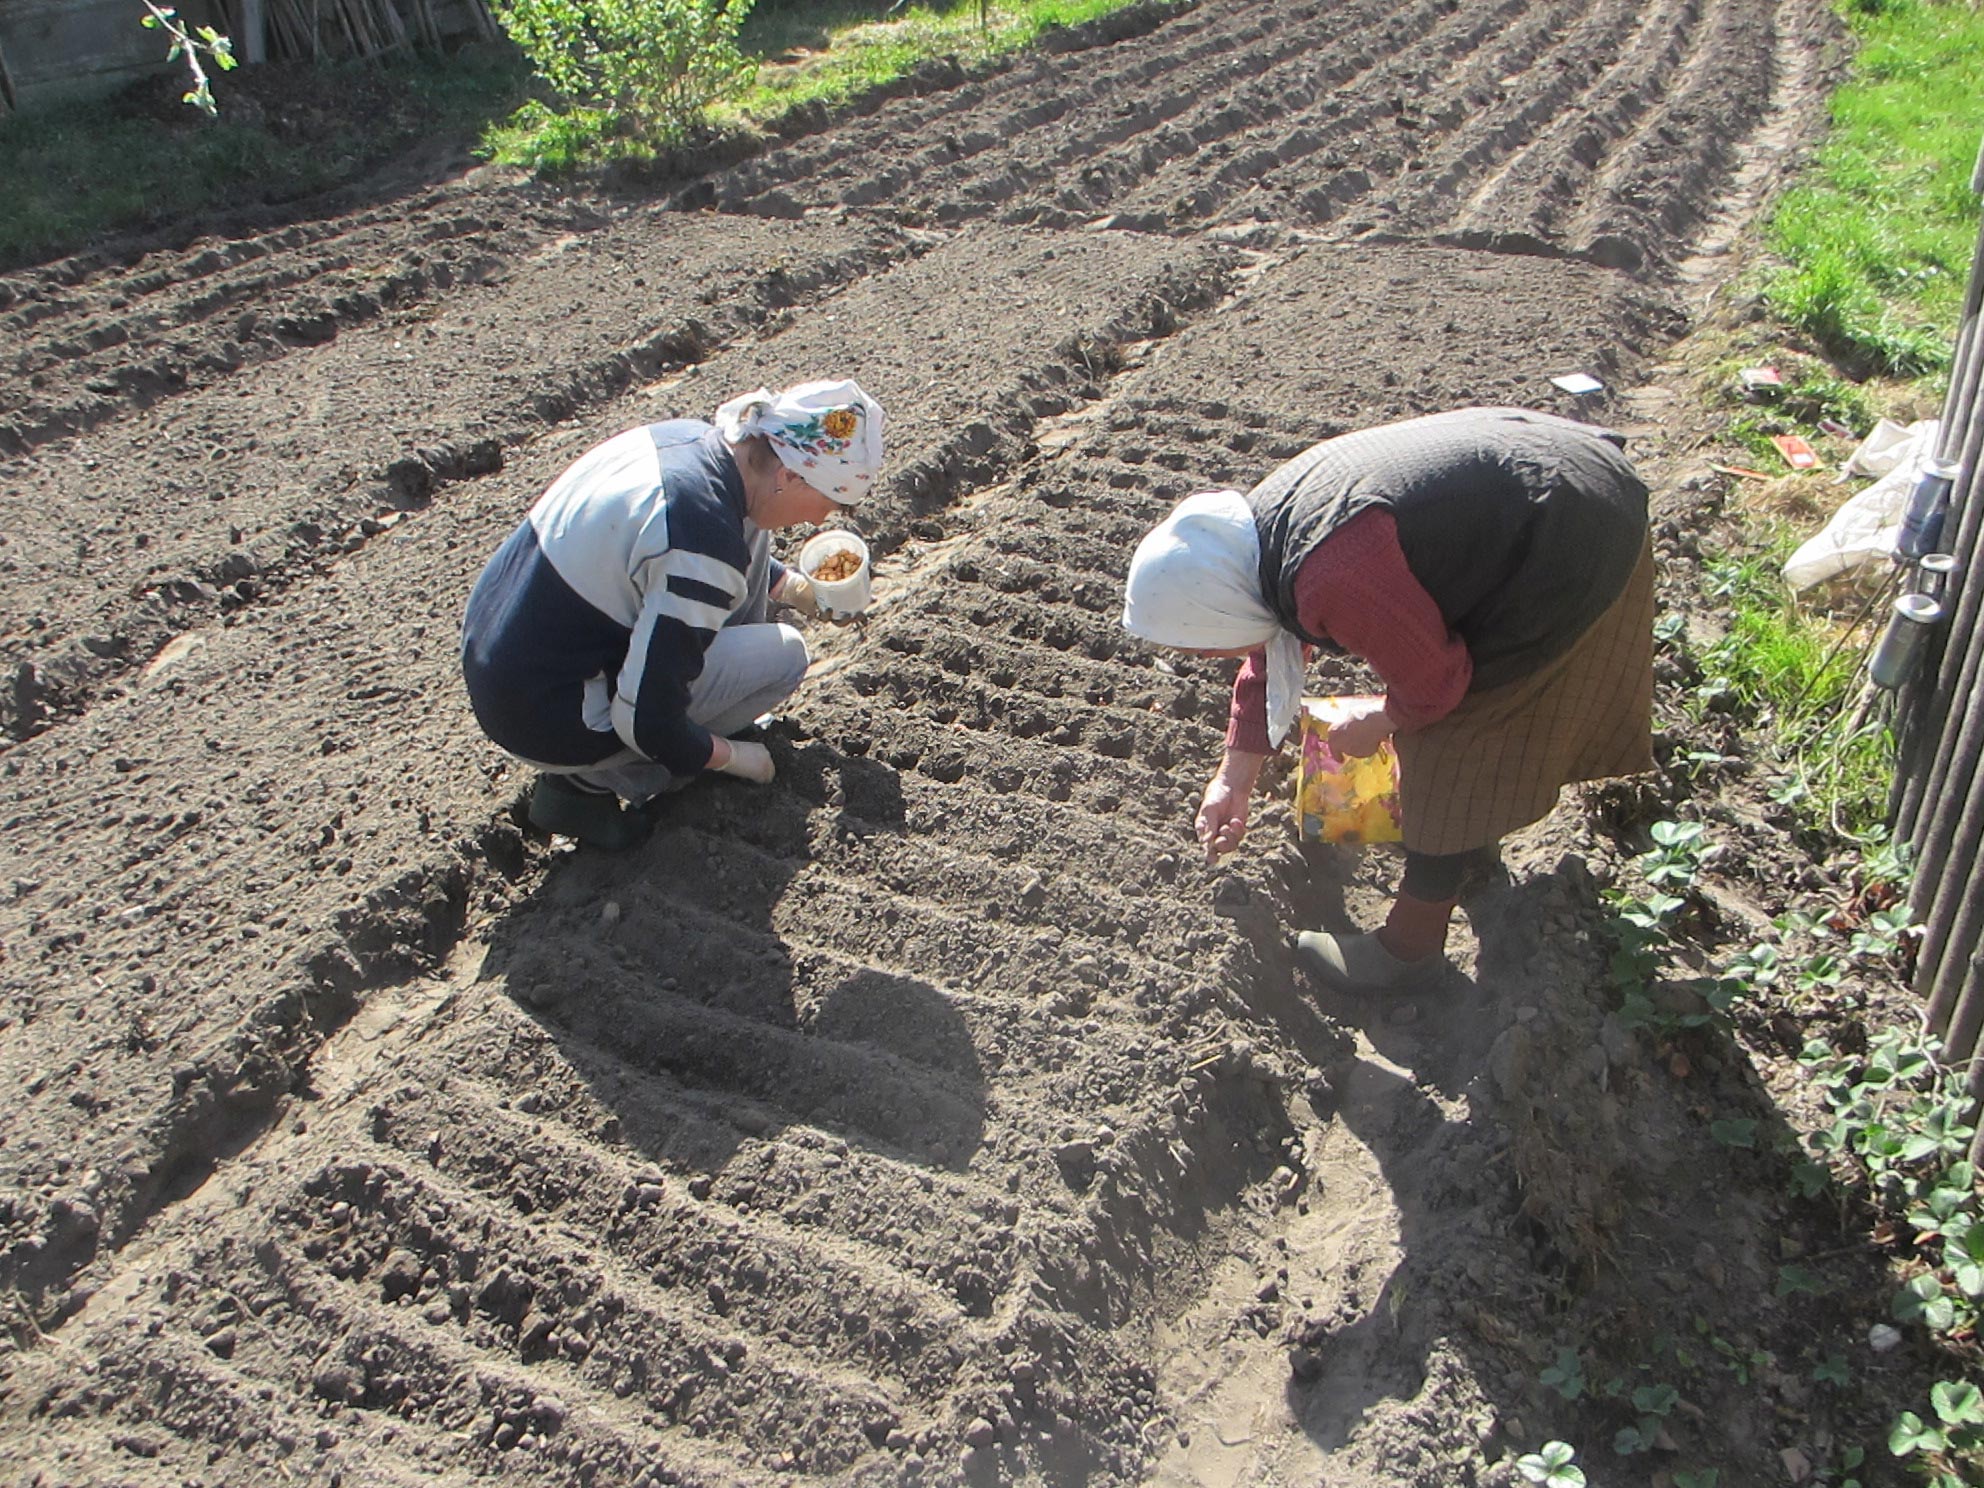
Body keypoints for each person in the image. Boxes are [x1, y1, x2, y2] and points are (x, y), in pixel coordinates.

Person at [1121, 406, 1654, 995]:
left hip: (1571, 526)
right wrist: (1233, 778)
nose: (1207, 659)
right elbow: (1271, 648)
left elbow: (1434, 685)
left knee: (1452, 734)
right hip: (1550, 474)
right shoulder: (1253, 543)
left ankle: (1409, 950)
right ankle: (1470, 849)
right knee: (1450, 727)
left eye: (1202, 646)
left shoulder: (1331, 574)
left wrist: (1381, 717)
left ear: (1218, 609)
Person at [462, 378, 885, 851]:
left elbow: (686, 552)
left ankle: (686, 716)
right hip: (547, 715)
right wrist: (734, 758)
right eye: (828, 502)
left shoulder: (696, 445)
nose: (820, 521)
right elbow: (646, 721)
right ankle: (588, 785)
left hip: (510, 651)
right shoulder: (703, 541)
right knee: (785, 655)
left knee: (751, 526)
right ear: (789, 477)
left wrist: (795, 588)